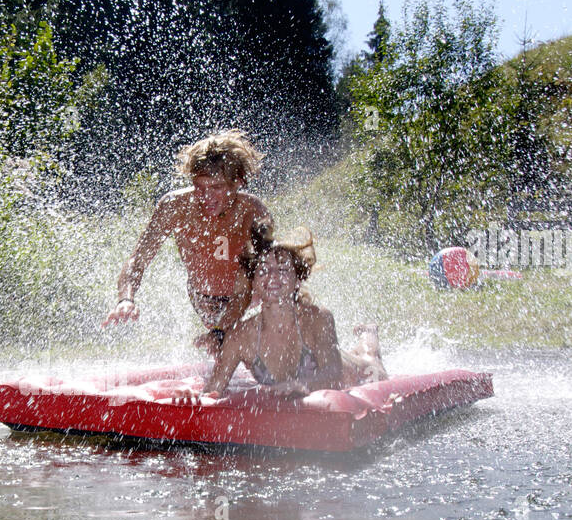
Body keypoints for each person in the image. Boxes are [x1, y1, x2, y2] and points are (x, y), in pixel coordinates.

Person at [101, 130, 273, 355]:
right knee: (222, 355)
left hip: (247, 297)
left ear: (237, 181)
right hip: (204, 299)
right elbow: (138, 259)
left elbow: (273, 268)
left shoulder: (252, 211)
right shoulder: (175, 207)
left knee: (252, 355)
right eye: (199, 187)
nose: (206, 197)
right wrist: (125, 299)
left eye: (216, 187)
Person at [173, 225, 387, 404]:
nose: (273, 277)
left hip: (356, 372)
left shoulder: (317, 318)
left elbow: (333, 374)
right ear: (253, 281)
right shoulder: (241, 336)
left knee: (368, 357)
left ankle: (369, 333)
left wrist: (303, 385)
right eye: (264, 270)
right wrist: (195, 398)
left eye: (283, 269)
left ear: (297, 279)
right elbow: (214, 388)